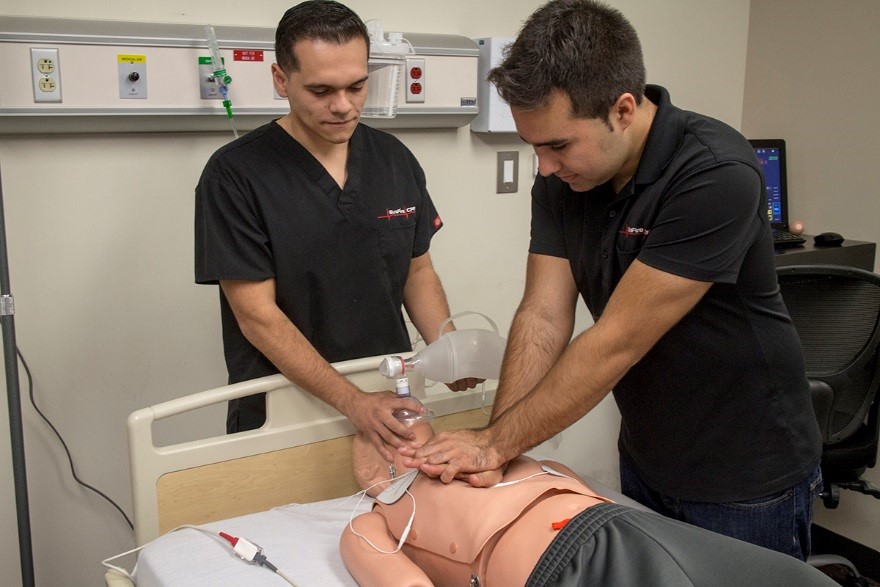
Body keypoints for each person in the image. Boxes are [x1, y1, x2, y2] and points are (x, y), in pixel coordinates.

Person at [401, 0, 823, 561]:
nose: (544, 168)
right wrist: (497, 445)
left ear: (623, 109)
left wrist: (493, 444)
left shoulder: (714, 172)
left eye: (557, 145)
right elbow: (543, 315)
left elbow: (614, 341)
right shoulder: (565, 183)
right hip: (650, 451)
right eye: (533, 147)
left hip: (744, 470)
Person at [194, 0, 475, 456]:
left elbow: (417, 271)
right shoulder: (236, 175)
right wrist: (353, 402)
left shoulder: (394, 160)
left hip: (389, 396)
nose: (343, 106)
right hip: (287, 407)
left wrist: (450, 349)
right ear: (281, 80)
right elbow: (257, 316)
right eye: (321, 90)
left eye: (357, 86)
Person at [342, 420, 835, 586]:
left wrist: (498, 453)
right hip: (564, 570)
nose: (410, 439)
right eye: (389, 439)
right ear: (371, 475)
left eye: (414, 424)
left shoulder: (494, 456)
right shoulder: (376, 520)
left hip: (623, 528)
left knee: (798, 580)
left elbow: (579, 488)